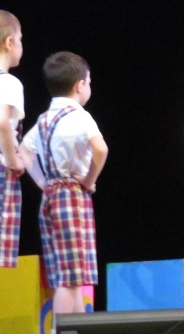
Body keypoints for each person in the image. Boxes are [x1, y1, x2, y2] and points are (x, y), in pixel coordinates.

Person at [20, 51, 108, 318]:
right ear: (79, 85)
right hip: (71, 196)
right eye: (89, 82)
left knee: (71, 274)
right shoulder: (80, 116)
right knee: (69, 280)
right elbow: (101, 149)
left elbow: (24, 150)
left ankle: (77, 328)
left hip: (52, 196)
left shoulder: (44, 119)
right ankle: (59, 330)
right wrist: (89, 180)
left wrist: (44, 183)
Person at [0, 10, 26, 268]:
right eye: (20, 39)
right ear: (9, 42)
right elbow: (1, 122)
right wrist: (12, 159)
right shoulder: (9, 83)